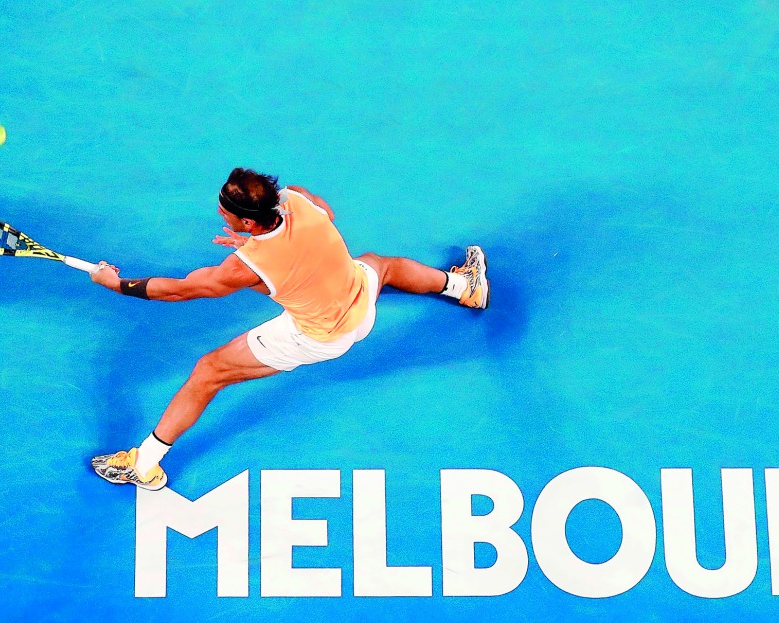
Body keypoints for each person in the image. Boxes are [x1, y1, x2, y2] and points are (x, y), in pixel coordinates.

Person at [90, 167, 488, 490]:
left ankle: (144, 464)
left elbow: (180, 290)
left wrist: (116, 284)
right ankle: (466, 287)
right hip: (359, 300)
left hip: (318, 337)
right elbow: (325, 213)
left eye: (226, 212)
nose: (221, 215)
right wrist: (257, 248)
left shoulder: (243, 267)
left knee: (208, 372)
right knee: (382, 265)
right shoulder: (296, 201)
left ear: (247, 221)